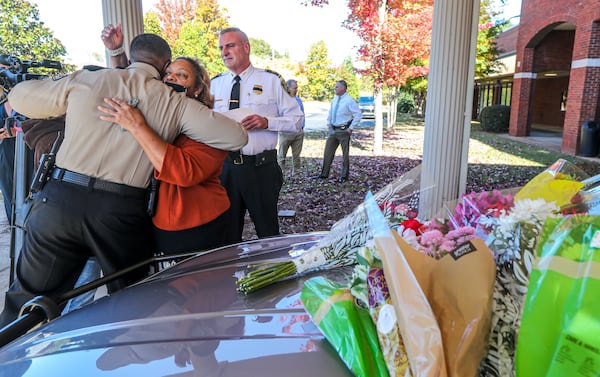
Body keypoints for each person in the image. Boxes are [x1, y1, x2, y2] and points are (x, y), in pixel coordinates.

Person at [0, 33, 248, 327]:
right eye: (170, 72)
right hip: (119, 211)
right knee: (135, 302)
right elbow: (237, 136)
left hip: (60, 199)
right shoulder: (176, 104)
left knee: (25, 301)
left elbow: (18, 97)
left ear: (131, 59)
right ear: (163, 66)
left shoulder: (89, 80)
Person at [100, 24, 230, 257]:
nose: (171, 77)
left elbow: (184, 172)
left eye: (182, 75)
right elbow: (130, 87)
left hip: (197, 221)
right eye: (168, 73)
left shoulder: (207, 124)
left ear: (198, 89)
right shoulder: (157, 111)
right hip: (155, 219)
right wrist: (116, 52)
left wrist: (136, 126)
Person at [210, 27, 304, 244]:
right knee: (226, 235)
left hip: (260, 169)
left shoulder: (271, 81)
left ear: (246, 47)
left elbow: (297, 121)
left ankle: (273, 275)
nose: (224, 52)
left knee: (268, 233)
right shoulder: (214, 84)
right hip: (225, 169)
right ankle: (230, 277)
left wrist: (267, 122)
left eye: (230, 45)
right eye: (221, 47)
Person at [316, 80, 362, 183]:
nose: (335, 89)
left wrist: (351, 128)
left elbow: (358, 114)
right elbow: (331, 111)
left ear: (343, 88)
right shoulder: (335, 99)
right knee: (328, 152)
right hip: (333, 129)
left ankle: (344, 176)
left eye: (337, 87)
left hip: (343, 130)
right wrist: (329, 123)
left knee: (345, 154)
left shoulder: (349, 100)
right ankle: (324, 174)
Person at [277, 79, 305, 174]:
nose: (296, 90)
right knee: (282, 155)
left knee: (296, 155)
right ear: (288, 88)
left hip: (298, 132)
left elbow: (302, 114)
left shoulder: (298, 100)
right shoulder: (282, 100)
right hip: (286, 132)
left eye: (297, 88)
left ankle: (296, 172)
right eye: (294, 88)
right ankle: (281, 172)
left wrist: (302, 127)